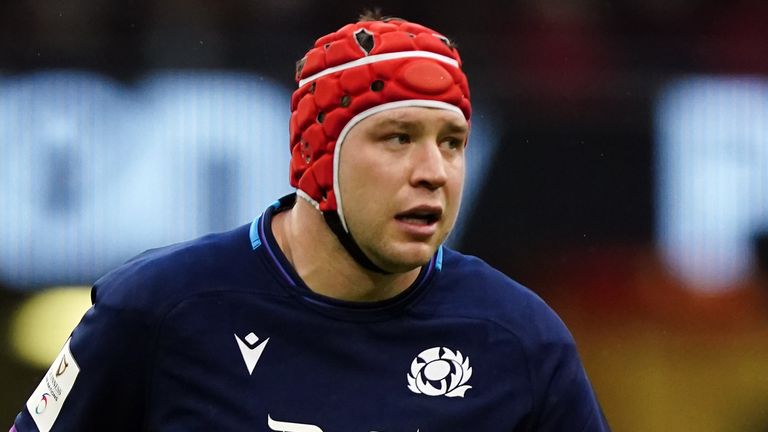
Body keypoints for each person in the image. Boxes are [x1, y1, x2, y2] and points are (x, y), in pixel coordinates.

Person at [12, 12, 610, 432]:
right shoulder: (158, 309)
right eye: (398, 137)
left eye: (452, 143)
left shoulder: (520, 340)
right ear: (317, 156)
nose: (435, 171)